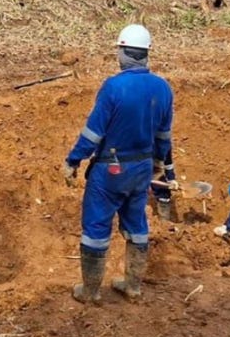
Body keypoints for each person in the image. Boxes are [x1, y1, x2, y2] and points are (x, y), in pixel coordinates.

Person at [63, 24, 174, 303]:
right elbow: (164, 134)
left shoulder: (113, 87)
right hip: (141, 169)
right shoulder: (162, 88)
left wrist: (73, 160)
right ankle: (133, 286)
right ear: (146, 54)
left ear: (124, 52)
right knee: (136, 223)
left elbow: (93, 132)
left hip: (110, 170)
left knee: (97, 227)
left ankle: (90, 292)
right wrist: (159, 162)